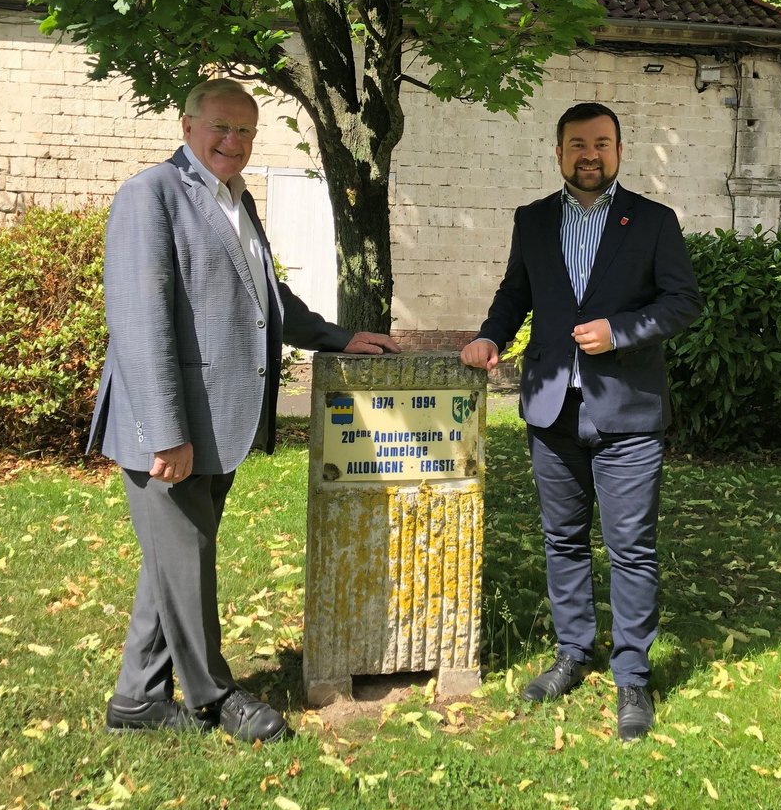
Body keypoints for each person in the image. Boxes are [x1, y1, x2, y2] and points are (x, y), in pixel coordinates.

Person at [89, 78, 399, 741]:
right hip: (168, 427)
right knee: (188, 558)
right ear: (187, 125)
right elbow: (140, 323)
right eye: (221, 127)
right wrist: (165, 433)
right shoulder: (152, 194)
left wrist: (337, 336)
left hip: (219, 422)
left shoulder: (236, 199)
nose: (234, 141)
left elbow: (267, 298)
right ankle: (215, 695)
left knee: (175, 561)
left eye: (247, 131)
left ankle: (137, 699)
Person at [460, 103, 701, 741]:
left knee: (631, 548)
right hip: (552, 408)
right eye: (577, 144)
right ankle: (573, 653)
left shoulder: (653, 221)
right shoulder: (533, 220)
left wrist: (619, 331)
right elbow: (516, 293)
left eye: (601, 143)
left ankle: (633, 676)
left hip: (628, 412)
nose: (589, 154)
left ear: (619, 150)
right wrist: (490, 337)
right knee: (562, 540)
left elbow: (682, 302)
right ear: (559, 152)